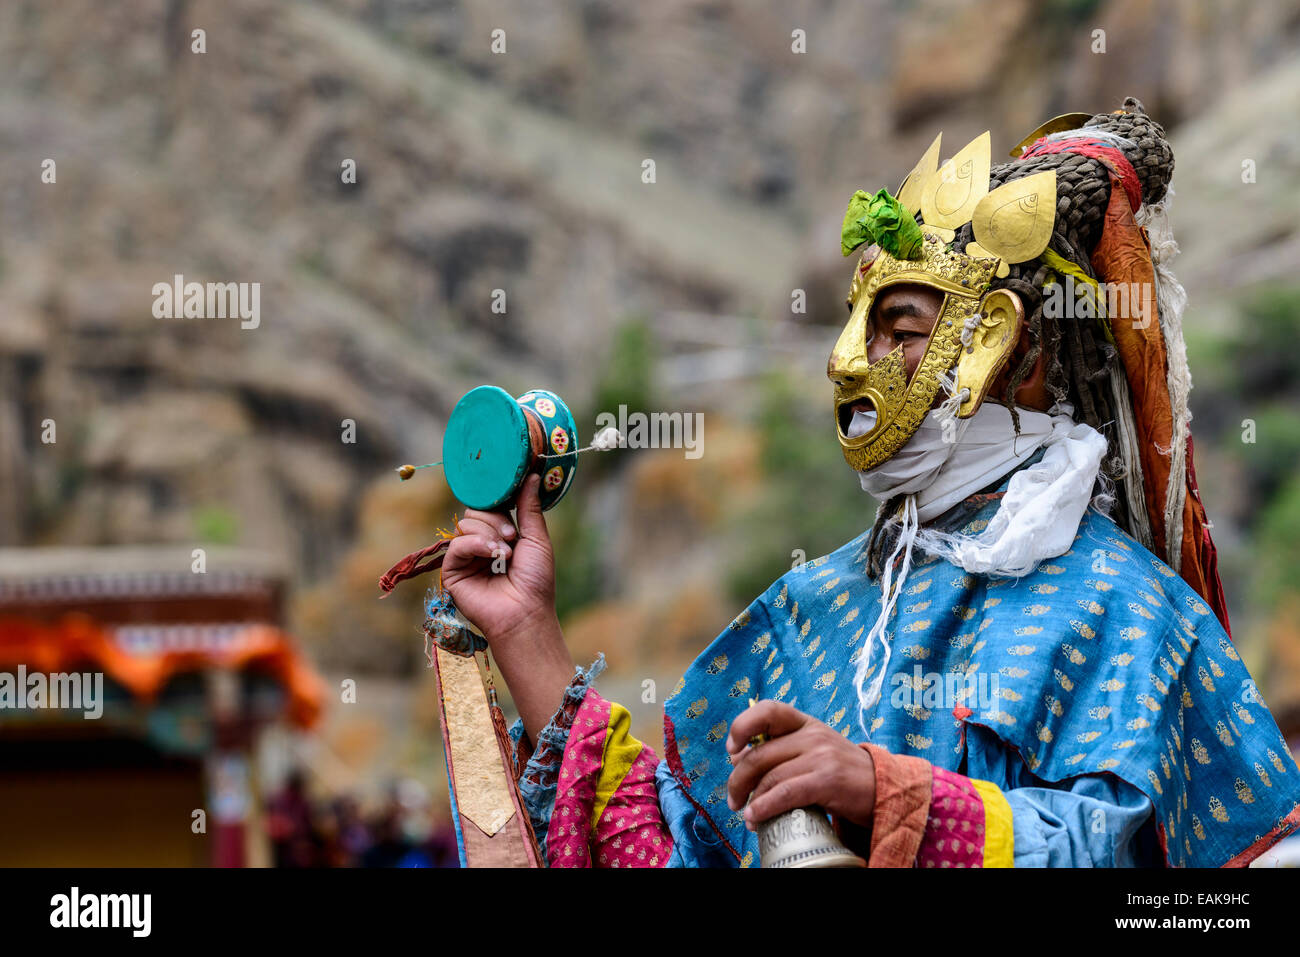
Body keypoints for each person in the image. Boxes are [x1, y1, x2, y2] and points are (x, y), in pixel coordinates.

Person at [436, 99, 1300, 867]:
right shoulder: (812, 610)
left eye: (899, 328)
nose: (849, 359)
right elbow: (669, 852)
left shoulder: (1129, 606)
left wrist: (892, 796)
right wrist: (526, 632)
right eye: (857, 325)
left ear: (1006, 343)